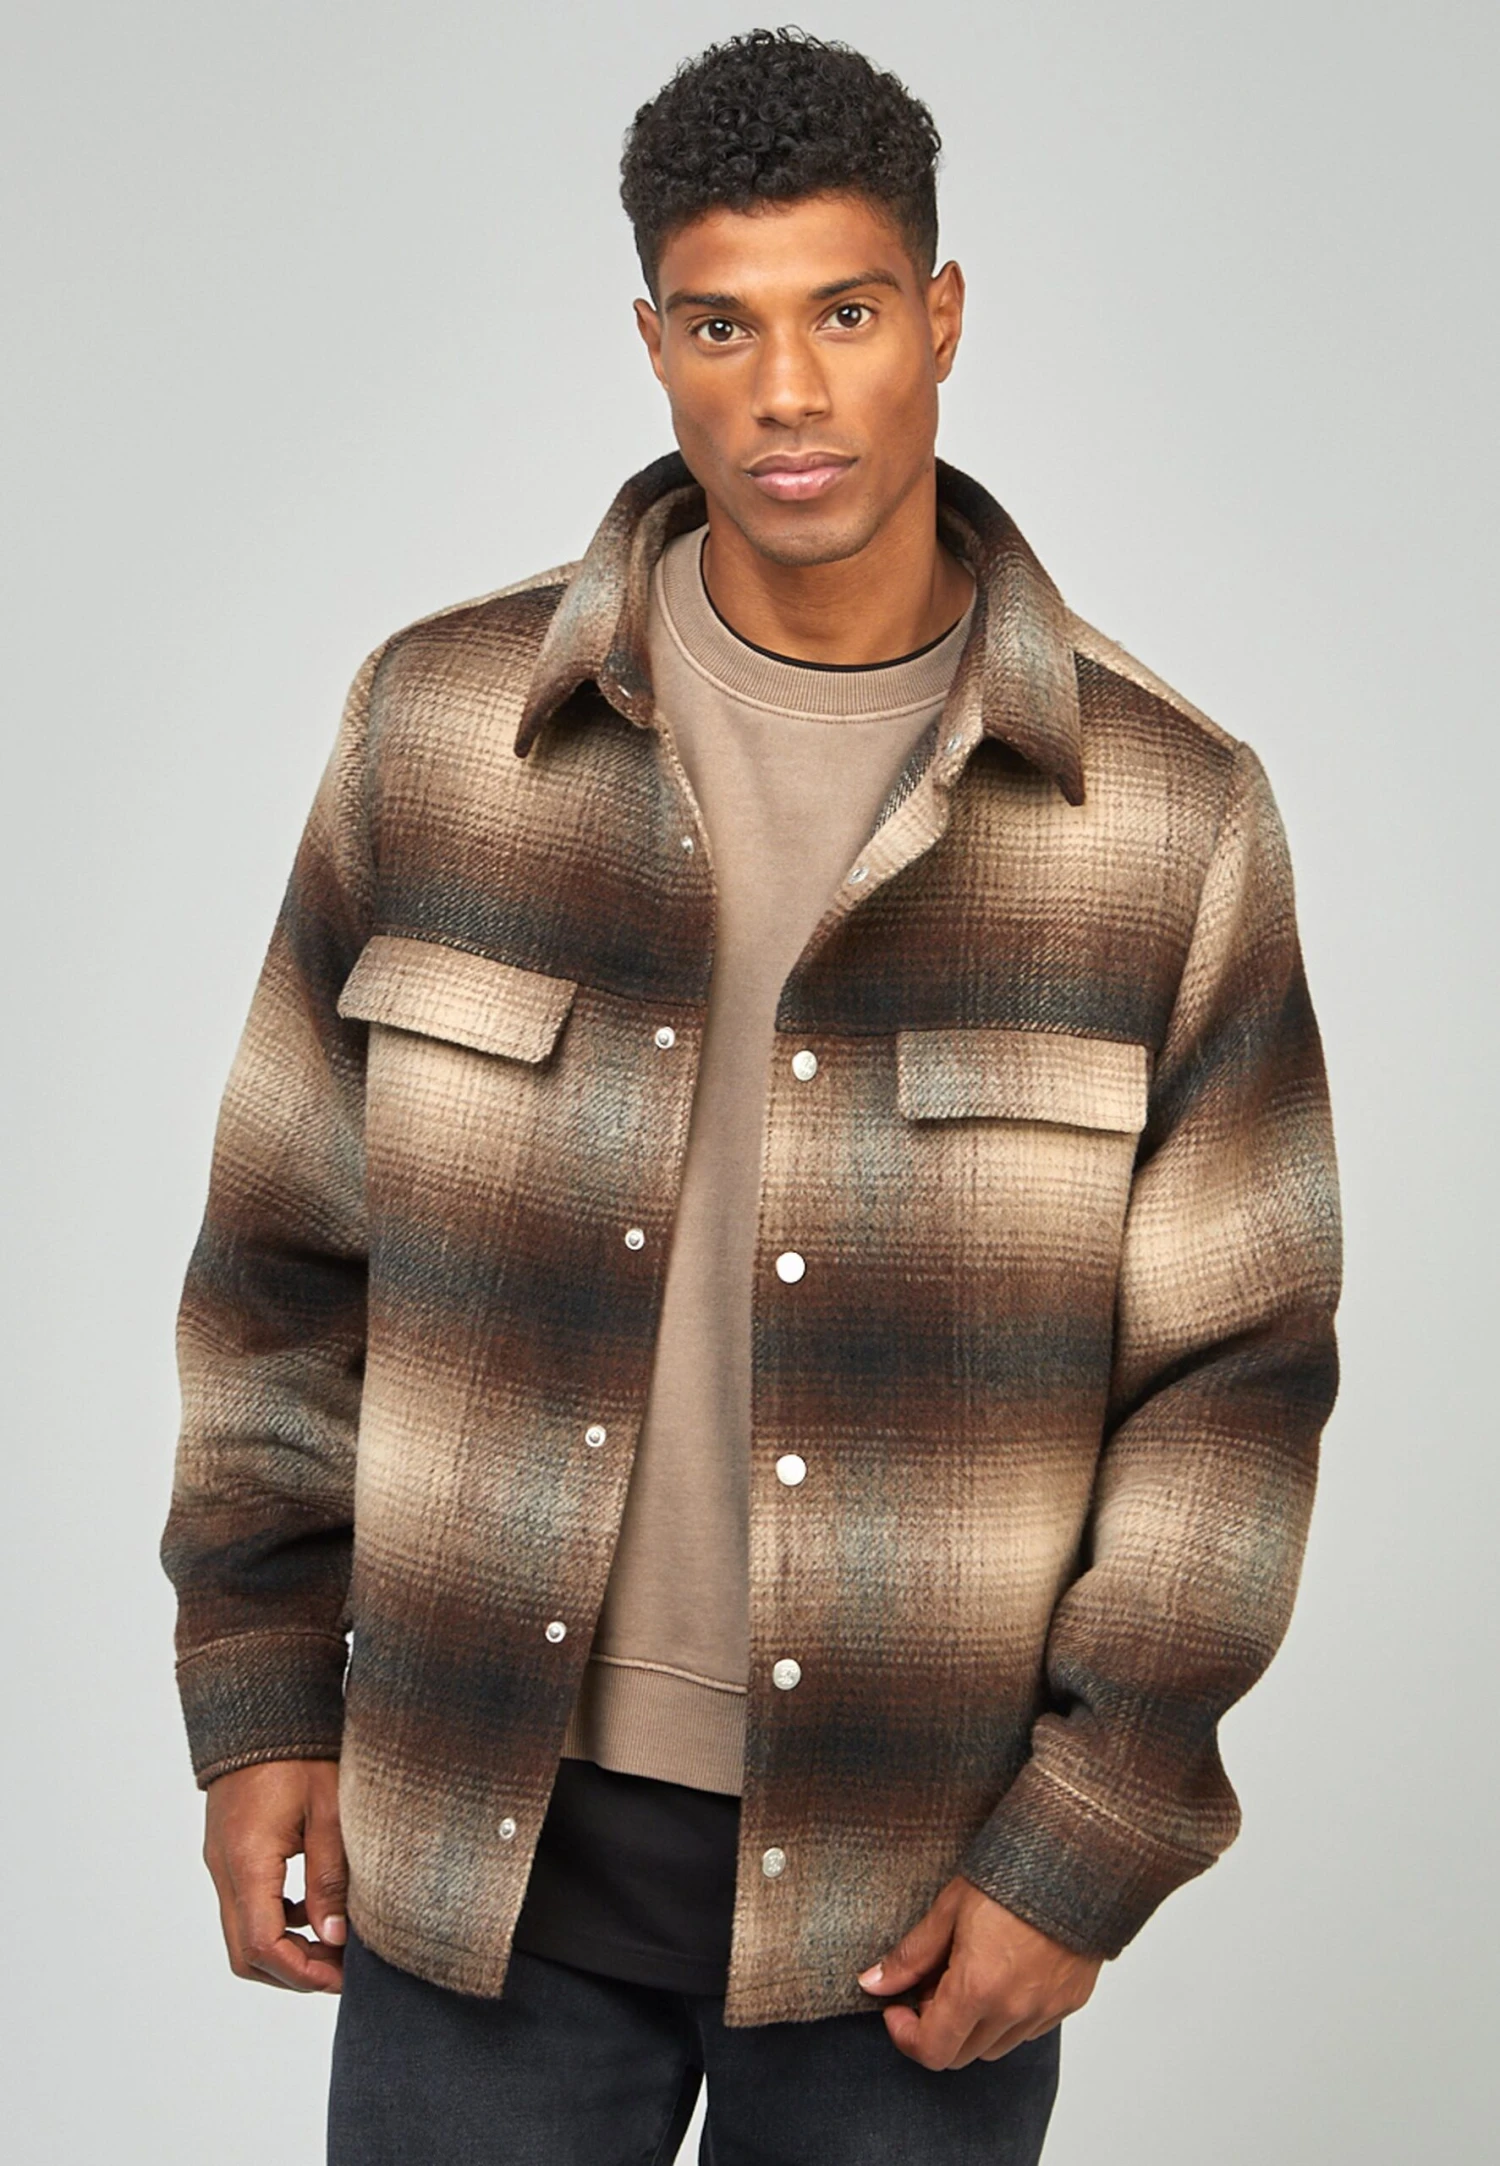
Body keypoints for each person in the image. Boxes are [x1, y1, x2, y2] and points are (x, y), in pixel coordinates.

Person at [161, 28, 1342, 2165]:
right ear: (653, 345)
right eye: (723, 325)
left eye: (847, 313)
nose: (789, 390)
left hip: (914, 1892)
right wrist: (254, 1696)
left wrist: (1088, 1839)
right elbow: (278, 1264)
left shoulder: (1167, 821)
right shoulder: (439, 732)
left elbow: (1234, 1390)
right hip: (478, 1847)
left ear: (943, 317)